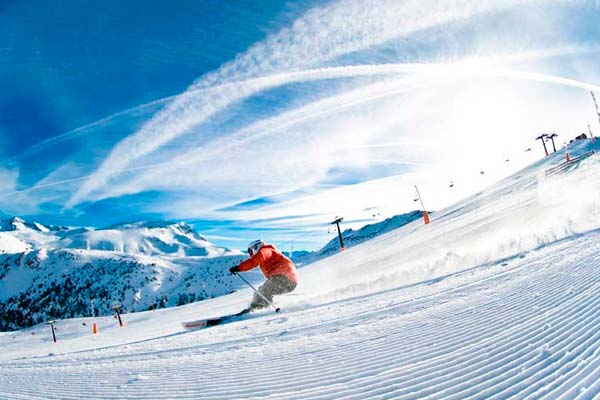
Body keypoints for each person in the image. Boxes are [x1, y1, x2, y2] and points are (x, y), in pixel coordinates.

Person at [229, 239, 298, 312]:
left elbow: (254, 261)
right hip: (289, 282)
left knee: (264, 291)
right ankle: (260, 309)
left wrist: (239, 268)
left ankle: (256, 309)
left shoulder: (266, 250)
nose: (251, 254)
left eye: (250, 251)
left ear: (255, 247)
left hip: (285, 278)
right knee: (259, 292)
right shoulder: (268, 253)